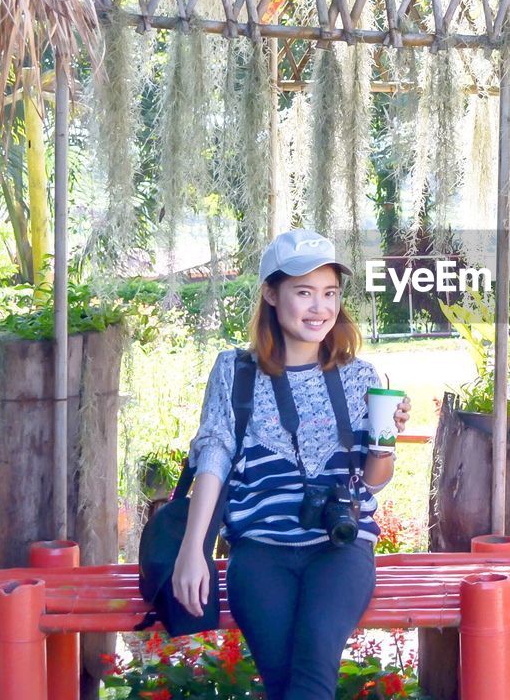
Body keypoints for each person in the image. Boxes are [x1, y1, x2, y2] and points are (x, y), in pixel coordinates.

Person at [172, 229, 411, 700]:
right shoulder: (233, 371)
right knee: (287, 683)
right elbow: (214, 457)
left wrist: (386, 439)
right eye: (304, 293)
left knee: (311, 675)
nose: (319, 308)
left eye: (330, 294)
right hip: (260, 550)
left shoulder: (358, 374)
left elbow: (375, 481)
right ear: (270, 293)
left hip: (339, 547)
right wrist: (192, 550)